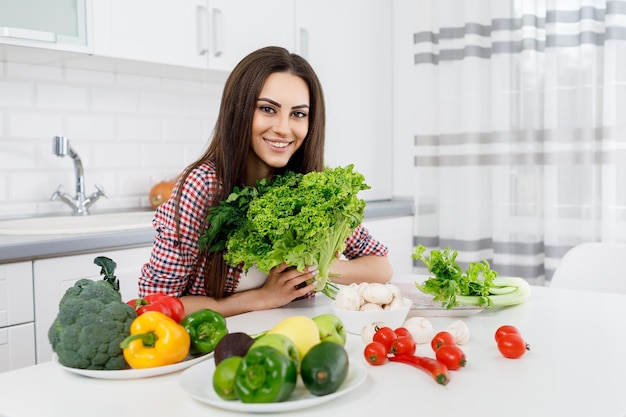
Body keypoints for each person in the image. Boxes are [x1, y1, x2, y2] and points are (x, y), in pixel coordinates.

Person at [139, 46, 393, 317]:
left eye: (298, 114)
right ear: (238, 111)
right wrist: (262, 298)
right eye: (268, 109)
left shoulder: (310, 188)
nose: (284, 128)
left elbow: (381, 267)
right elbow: (155, 305)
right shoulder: (203, 186)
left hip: (297, 339)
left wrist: (318, 265)